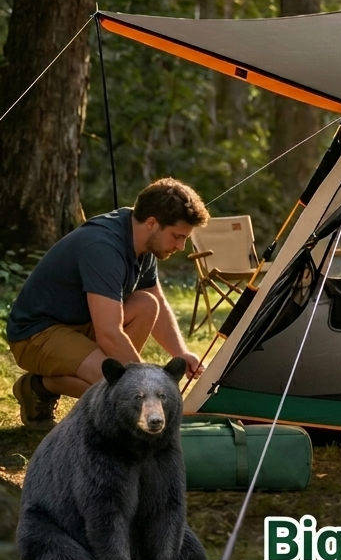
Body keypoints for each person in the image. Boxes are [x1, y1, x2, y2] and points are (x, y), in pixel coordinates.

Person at [8, 177, 210, 429]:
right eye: (177, 237)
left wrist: (180, 353)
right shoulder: (103, 246)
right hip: (36, 333)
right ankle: (38, 387)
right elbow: (109, 333)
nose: (181, 246)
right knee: (115, 390)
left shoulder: (142, 240)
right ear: (152, 223)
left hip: (81, 324)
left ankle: (57, 381)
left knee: (146, 304)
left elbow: (156, 299)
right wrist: (148, 385)